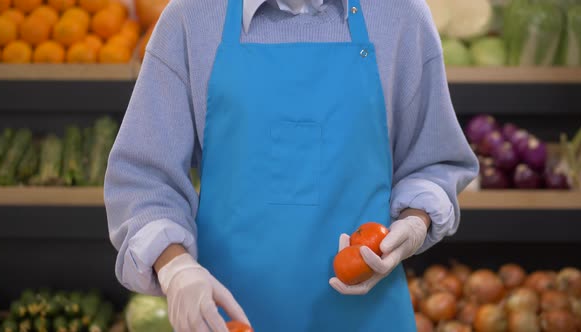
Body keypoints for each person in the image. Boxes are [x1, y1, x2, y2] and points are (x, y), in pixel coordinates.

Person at [105, 0, 479, 330]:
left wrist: (415, 221)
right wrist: (175, 269)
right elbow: (144, 178)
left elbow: (433, 161)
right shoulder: (190, 18)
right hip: (227, 319)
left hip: (368, 317)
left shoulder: (401, 16)